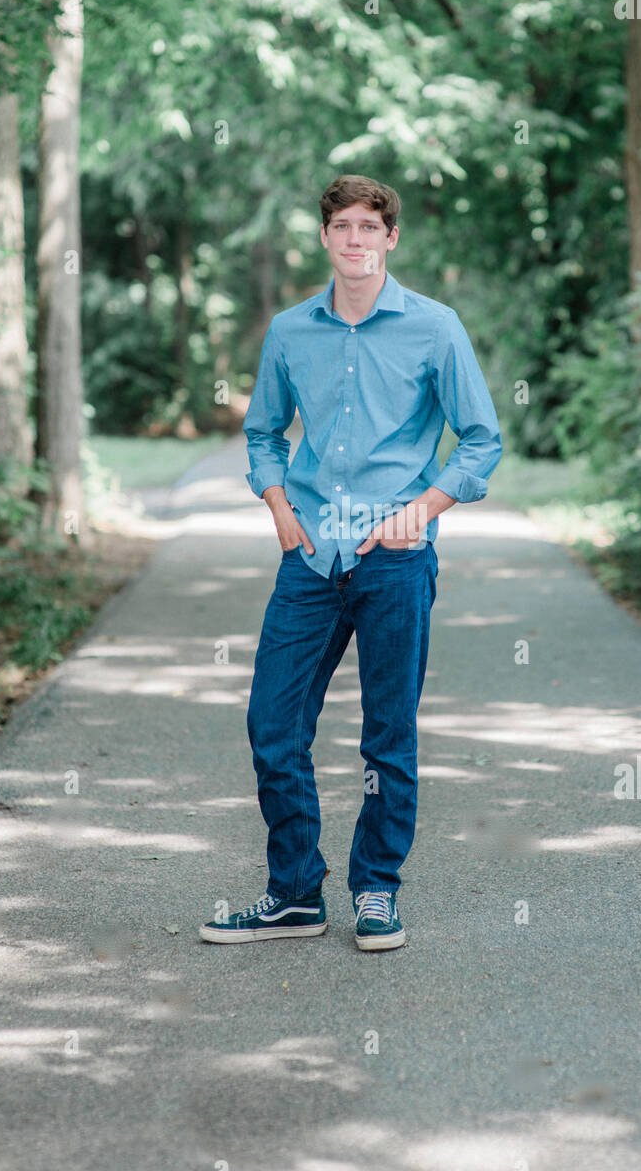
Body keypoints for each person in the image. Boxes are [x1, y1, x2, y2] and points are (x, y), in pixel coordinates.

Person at [199, 174, 502, 951]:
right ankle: (295, 893)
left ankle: (375, 891)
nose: (357, 238)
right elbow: (264, 431)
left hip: (395, 560)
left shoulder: (434, 329)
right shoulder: (290, 330)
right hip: (308, 557)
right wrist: (275, 504)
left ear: (390, 238)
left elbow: (480, 439)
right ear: (326, 237)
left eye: (372, 226)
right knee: (273, 725)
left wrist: (424, 510)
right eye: (344, 226)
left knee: (386, 735)